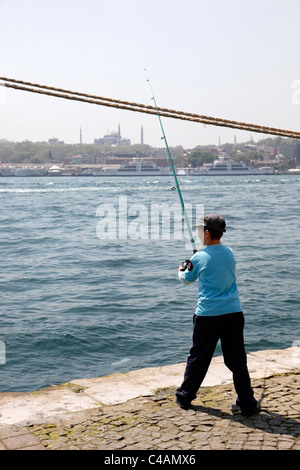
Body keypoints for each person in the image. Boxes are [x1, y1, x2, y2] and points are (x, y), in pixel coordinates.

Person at [176, 213, 260, 417]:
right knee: (237, 359)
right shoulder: (229, 252)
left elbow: (186, 279)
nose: (197, 233)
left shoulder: (199, 257)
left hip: (208, 315)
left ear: (206, 232)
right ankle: (247, 402)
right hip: (233, 312)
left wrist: (182, 268)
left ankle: (185, 396)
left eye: (199, 231)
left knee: (199, 356)